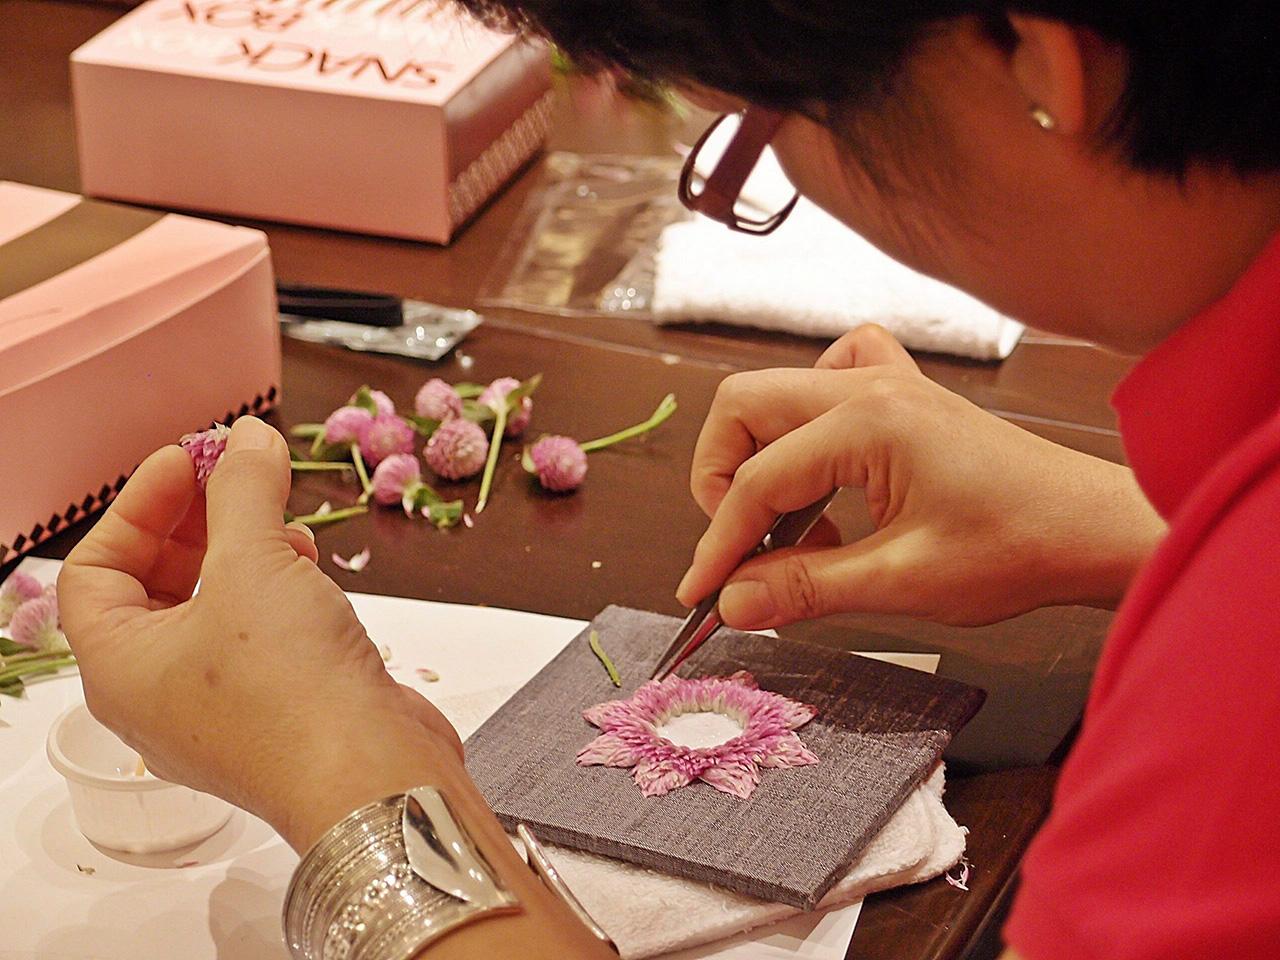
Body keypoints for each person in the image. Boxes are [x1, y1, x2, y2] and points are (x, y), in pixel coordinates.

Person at [58, 2, 1280, 958]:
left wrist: (341, 772)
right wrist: (1134, 526)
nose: (778, 170)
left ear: (1035, 65)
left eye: (759, 127)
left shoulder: (1236, 699)